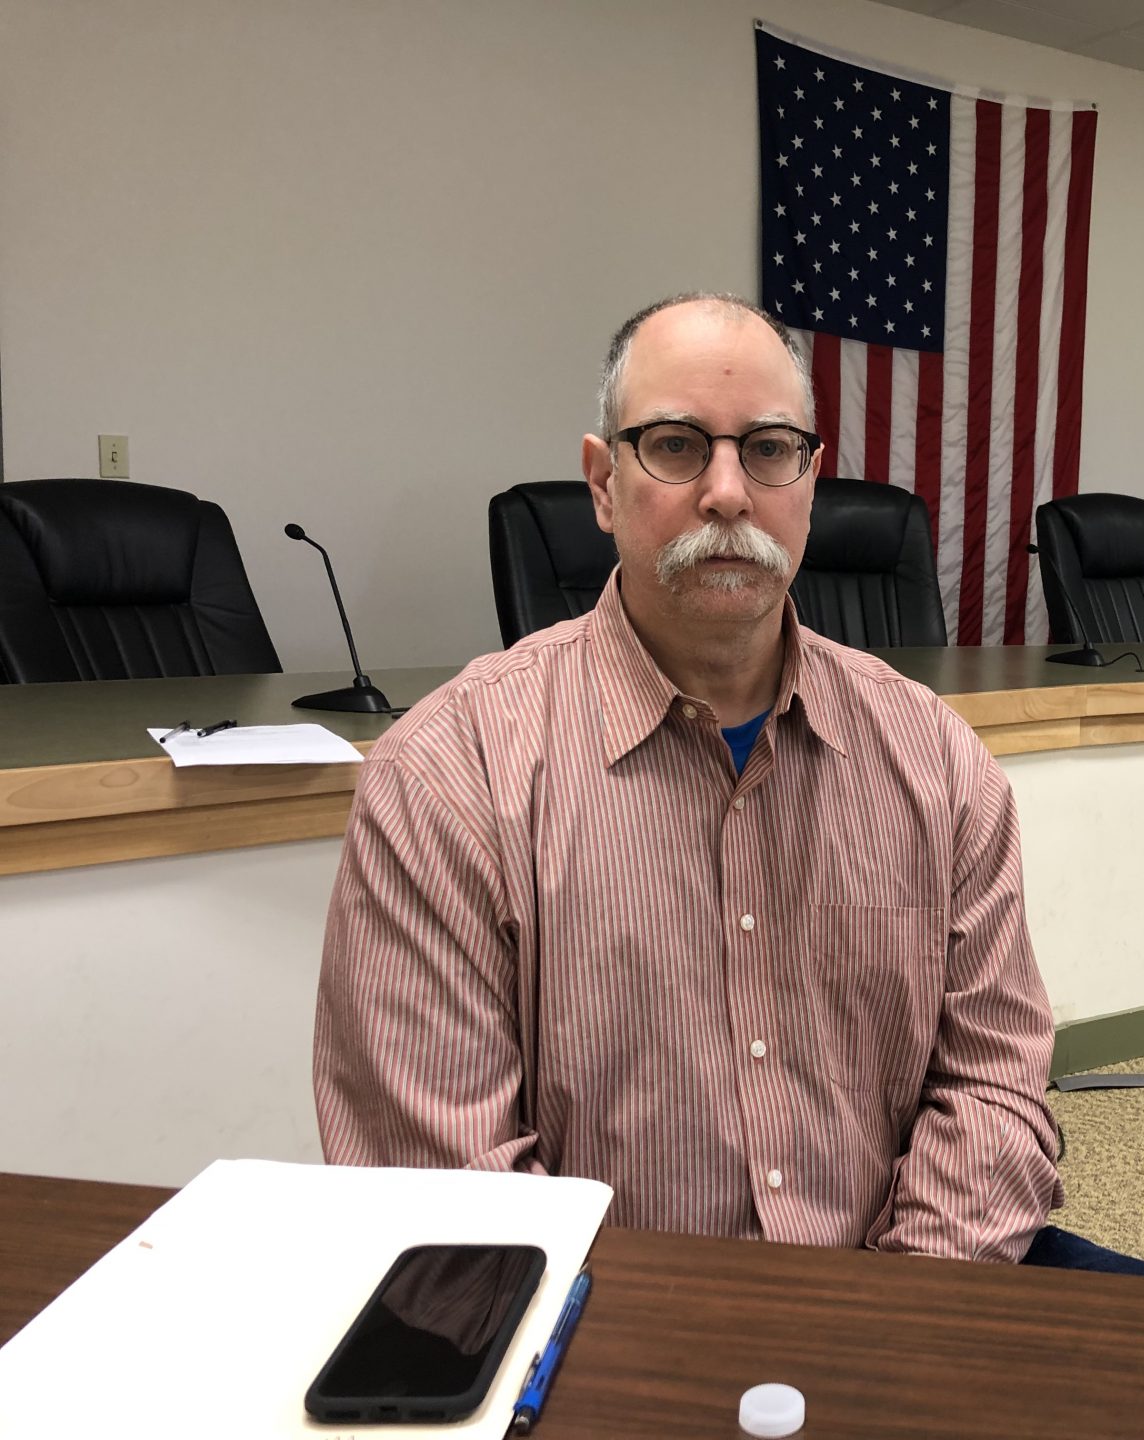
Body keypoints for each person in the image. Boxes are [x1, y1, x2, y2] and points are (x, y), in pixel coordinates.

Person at [313, 292, 1066, 1263]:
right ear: (600, 482)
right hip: (599, 1340)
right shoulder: (447, 778)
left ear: (809, 478)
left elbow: (995, 1087)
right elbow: (442, 1184)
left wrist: (898, 1322)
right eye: (674, 445)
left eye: (767, 449)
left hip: (904, 1298)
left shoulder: (934, 757)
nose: (726, 492)